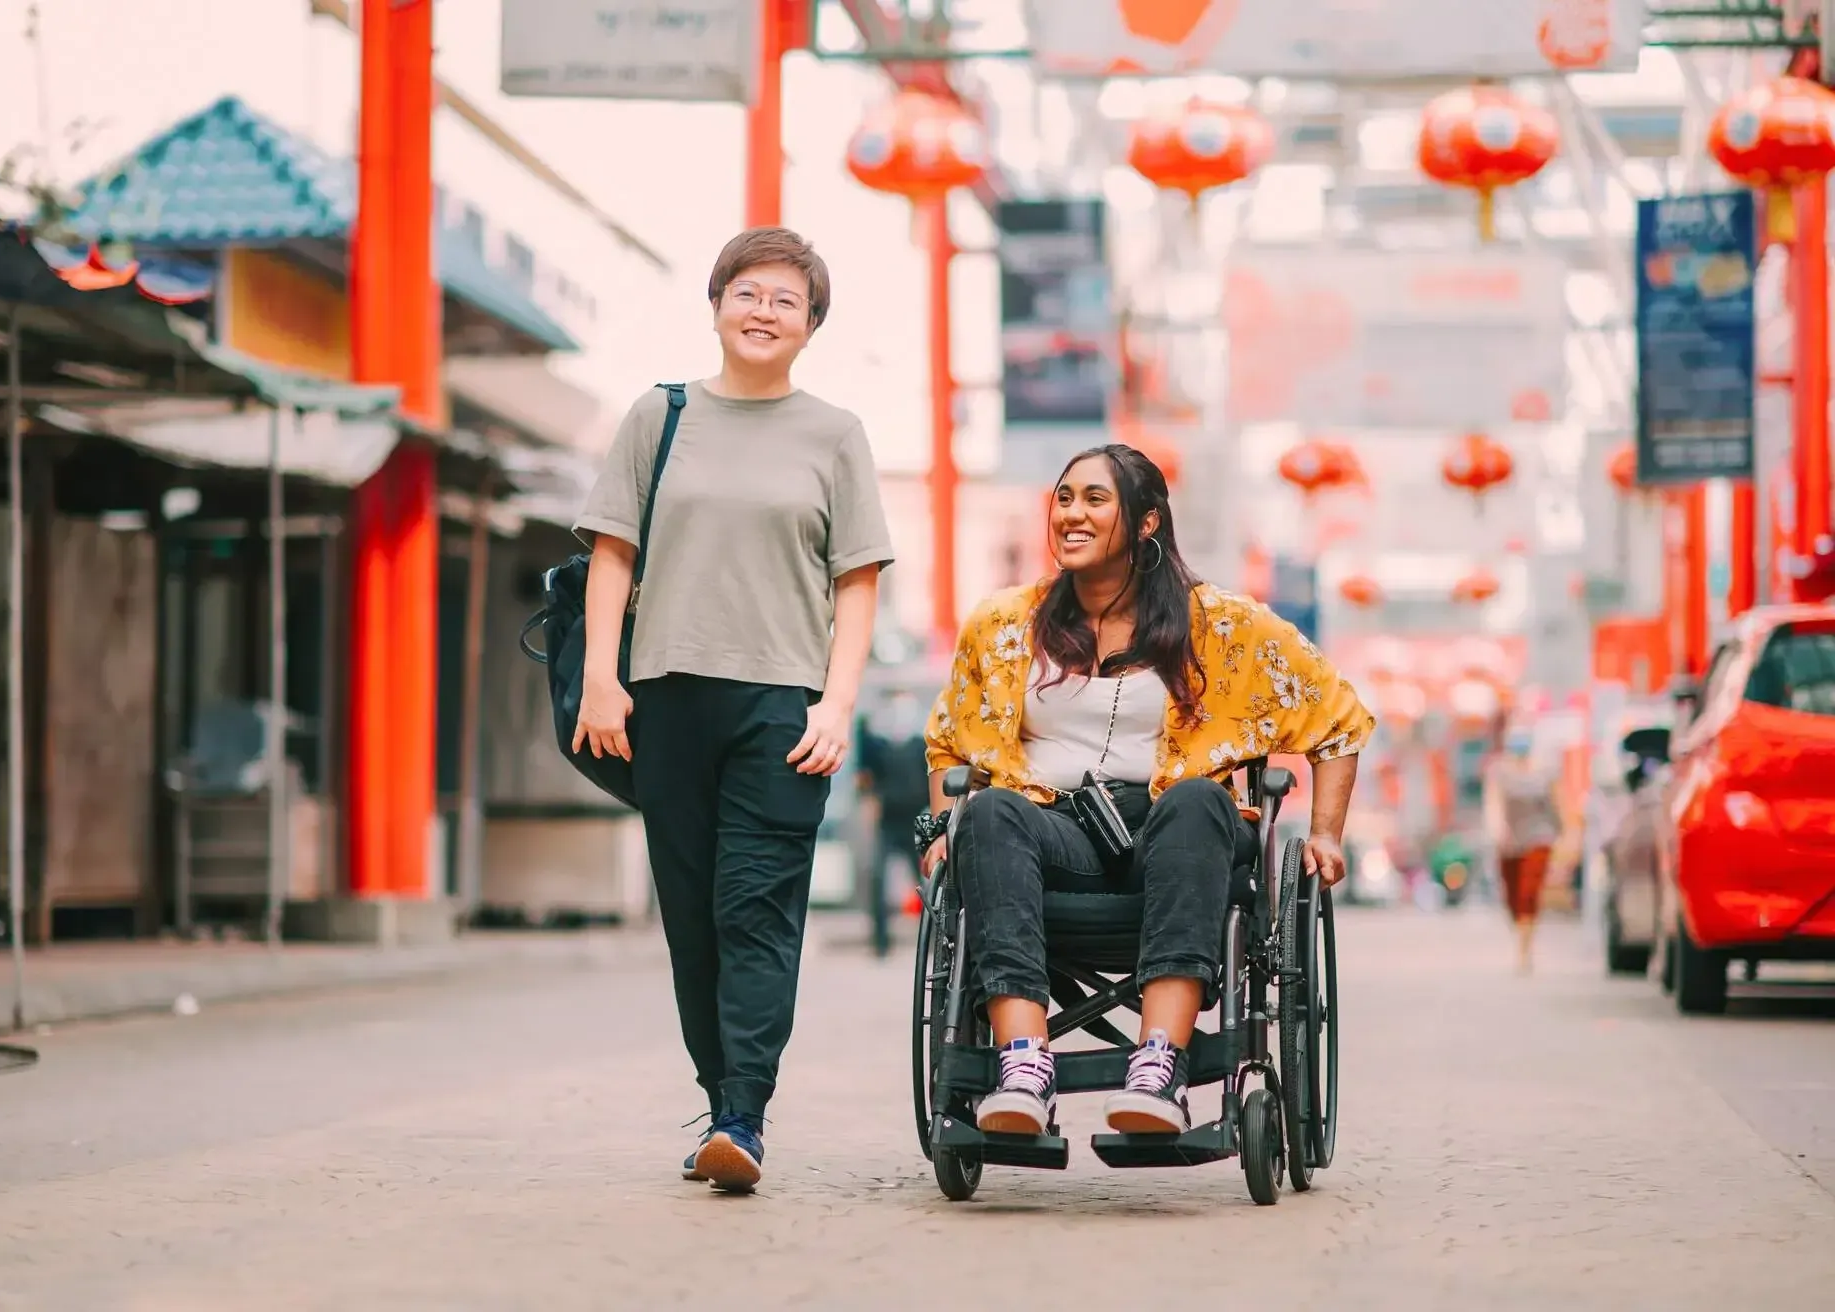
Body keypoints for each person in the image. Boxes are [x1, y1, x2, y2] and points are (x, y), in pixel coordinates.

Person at [920, 444, 1374, 1137]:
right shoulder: (1004, 625)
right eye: (1064, 497)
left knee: (1199, 800)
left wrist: (1326, 834)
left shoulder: (1221, 626)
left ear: (1147, 523)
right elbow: (950, 742)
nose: (1072, 513)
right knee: (987, 812)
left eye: (1094, 500)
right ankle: (1022, 1063)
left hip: (1174, 832)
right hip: (1051, 829)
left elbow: (1337, 716)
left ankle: (1159, 1065)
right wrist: (943, 829)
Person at [571, 227, 894, 1192]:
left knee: (755, 910)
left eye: (786, 301)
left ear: (811, 326)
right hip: (665, 698)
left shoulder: (835, 434)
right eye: (747, 293)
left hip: (778, 709)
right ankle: (721, 1101)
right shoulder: (659, 417)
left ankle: (744, 1116)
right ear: (716, 306)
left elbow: (859, 581)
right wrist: (600, 676)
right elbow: (612, 553)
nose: (763, 312)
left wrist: (836, 705)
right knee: (693, 917)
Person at [855, 682, 932, 959]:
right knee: (878, 876)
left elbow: (931, 777)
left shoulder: (921, 741)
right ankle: (880, 942)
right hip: (887, 819)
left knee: (927, 882)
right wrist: (868, 803)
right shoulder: (876, 739)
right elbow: (865, 776)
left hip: (914, 819)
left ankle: (934, 941)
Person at [1482, 717, 1562, 975]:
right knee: (1513, 897)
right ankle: (1521, 932)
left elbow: (1555, 805)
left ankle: (1525, 950)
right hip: (1510, 841)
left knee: (1530, 892)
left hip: (1540, 838)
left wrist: (1563, 834)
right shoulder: (1500, 771)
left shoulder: (1544, 771)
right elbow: (1494, 803)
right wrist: (1497, 831)